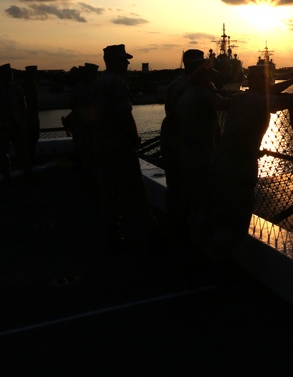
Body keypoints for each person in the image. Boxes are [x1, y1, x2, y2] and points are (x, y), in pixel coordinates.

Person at [201, 68, 293, 260]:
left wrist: (290, 81)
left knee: (221, 213)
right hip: (240, 164)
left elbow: (268, 91)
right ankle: (221, 262)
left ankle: (209, 253)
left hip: (220, 160)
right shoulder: (260, 102)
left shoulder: (241, 97)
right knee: (238, 216)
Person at [89, 44, 158, 253]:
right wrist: (134, 136)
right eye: (123, 60)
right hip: (119, 147)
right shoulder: (116, 84)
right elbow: (124, 114)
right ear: (113, 61)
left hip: (102, 145)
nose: (128, 63)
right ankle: (146, 238)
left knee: (109, 193)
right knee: (134, 192)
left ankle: (113, 235)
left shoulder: (99, 82)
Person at [173, 50, 230, 248]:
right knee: (206, 206)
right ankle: (203, 251)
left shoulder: (186, 95)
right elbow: (225, 104)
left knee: (193, 203)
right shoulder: (204, 95)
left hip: (189, 155)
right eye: (208, 74)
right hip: (203, 158)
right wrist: (251, 98)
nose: (211, 76)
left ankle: (192, 245)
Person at [159, 49, 205, 241]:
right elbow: (181, 117)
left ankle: (177, 231)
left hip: (177, 143)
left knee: (178, 190)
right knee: (183, 190)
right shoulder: (186, 87)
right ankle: (182, 234)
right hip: (182, 145)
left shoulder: (180, 84)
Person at [0, 63, 32, 181]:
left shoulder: (17, 89)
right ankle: (6, 175)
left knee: (23, 151)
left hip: (17, 126)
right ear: (2, 75)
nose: (11, 75)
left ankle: (28, 173)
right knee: (3, 153)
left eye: (11, 73)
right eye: (9, 73)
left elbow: (23, 107)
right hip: (2, 127)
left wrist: (22, 122)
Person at [20, 65, 40, 160]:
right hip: (28, 117)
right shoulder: (25, 86)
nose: (35, 74)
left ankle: (32, 157)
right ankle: (28, 159)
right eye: (34, 72)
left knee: (35, 137)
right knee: (29, 138)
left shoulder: (34, 84)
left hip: (34, 116)